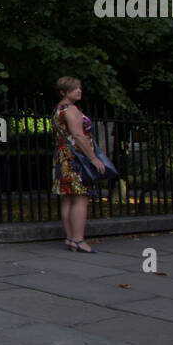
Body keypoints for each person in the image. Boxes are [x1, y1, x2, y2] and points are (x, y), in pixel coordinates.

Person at [53, 75, 106, 253]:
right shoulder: (72, 110)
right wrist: (94, 158)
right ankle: (78, 239)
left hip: (63, 158)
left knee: (68, 199)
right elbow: (78, 135)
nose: (79, 91)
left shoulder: (59, 109)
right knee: (81, 199)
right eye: (74, 88)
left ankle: (70, 238)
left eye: (79, 88)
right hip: (77, 160)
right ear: (64, 92)